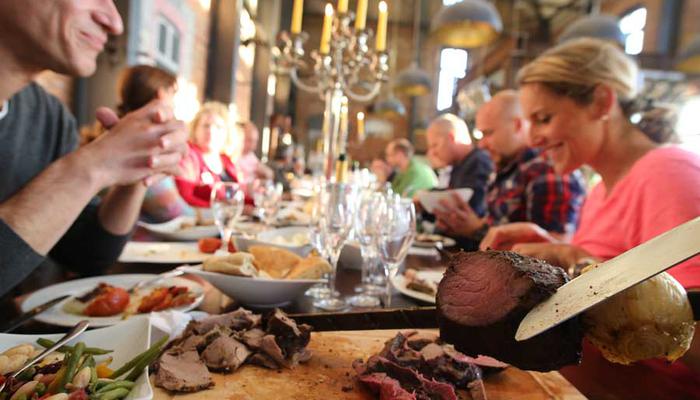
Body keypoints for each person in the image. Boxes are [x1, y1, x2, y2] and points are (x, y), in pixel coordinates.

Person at [481, 38, 700, 399]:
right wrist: (557, 251)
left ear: (601, 102)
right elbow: (607, 273)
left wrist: (573, 258)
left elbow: (691, 330)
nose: (533, 138)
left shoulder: (668, 172)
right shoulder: (599, 189)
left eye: (544, 119)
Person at [0, 1, 188, 298]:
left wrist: (140, 167)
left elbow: (87, 253)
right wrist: (90, 167)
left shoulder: (48, 116)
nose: (115, 22)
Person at [433, 90, 585, 244]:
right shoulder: (507, 168)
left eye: (488, 133)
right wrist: (465, 226)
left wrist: (476, 229)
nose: (482, 144)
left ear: (517, 125)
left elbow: (549, 254)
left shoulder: (546, 169)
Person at [423, 113, 493, 250]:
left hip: (472, 252)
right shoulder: (459, 165)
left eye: (434, 145)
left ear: (451, 137)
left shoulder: (478, 161)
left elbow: (468, 208)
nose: (432, 153)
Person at [175, 102, 242, 207]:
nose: (211, 131)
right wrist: (224, 209)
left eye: (219, 127)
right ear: (195, 129)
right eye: (206, 126)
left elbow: (237, 197)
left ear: (227, 133)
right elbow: (184, 198)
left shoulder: (226, 160)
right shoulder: (188, 156)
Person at [235, 121, 273, 188]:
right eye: (249, 140)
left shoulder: (250, 155)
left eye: (255, 141)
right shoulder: (233, 156)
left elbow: (270, 174)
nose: (253, 146)